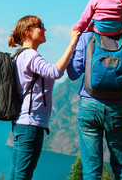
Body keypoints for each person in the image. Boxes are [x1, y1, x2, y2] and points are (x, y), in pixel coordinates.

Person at [67, 31, 122, 180]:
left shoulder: (86, 37)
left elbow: (73, 73)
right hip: (118, 109)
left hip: (89, 106)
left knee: (91, 171)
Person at [8, 15, 81, 180]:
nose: (44, 28)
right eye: (40, 25)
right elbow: (55, 72)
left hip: (21, 122)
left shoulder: (18, 55)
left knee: (16, 174)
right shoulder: (30, 56)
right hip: (31, 122)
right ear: (27, 32)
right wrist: (72, 43)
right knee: (22, 175)